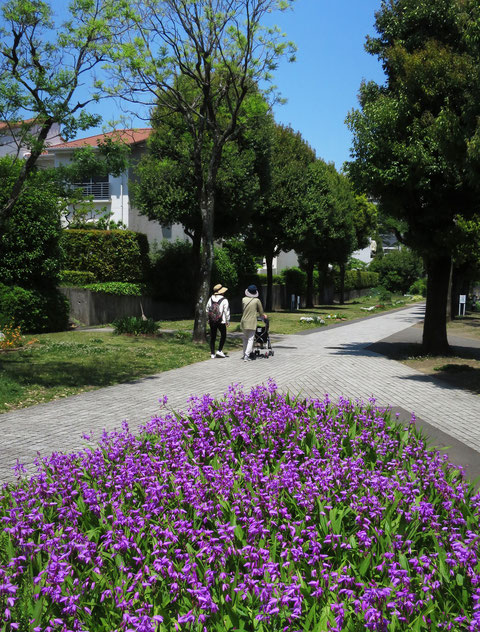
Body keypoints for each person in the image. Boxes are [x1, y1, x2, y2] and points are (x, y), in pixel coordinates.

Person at [240, 284, 267, 362]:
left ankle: (244, 353)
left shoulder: (243, 299)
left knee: (245, 338)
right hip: (252, 322)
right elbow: (261, 312)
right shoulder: (257, 301)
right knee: (251, 339)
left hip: (244, 321)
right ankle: (247, 355)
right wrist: (264, 316)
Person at [206, 283, 230, 359]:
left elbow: (207, 309)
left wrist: (208, 318)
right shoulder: (224, 300)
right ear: (221, 292)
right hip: (221, 321)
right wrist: (227, 321)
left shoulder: (211, 298)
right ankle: (219, 350)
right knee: (223, 335)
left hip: (212, 321)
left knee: (213, 336)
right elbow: (226, 311)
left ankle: (212, 353)